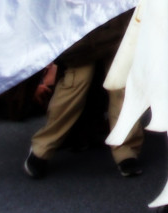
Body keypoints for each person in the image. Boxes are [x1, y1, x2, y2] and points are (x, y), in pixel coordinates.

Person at [23, 10, 145, 179]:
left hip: (115, 23)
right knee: (75, 84)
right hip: (79, 25)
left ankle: (126, 149)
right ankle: (42, 147)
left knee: (121, 86)